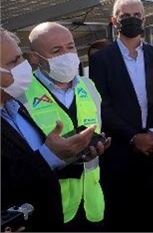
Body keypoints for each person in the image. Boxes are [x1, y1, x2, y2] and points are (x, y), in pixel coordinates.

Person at [1, 27, 102, 232]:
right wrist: (51, 155)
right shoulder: (24, 95)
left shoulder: (13, 107)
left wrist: (73, 153)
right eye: (13, 62)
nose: (22, 66)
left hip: (84, 204)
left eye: (20, 59)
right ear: (36, 57)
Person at [88, 0, 153, 232]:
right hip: (119, 152)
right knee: (121, 215)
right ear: (115, 21)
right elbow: (102, 104)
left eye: (136, 16)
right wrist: (133, 137)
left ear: (144, 20)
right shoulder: (102, 58)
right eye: (125, 16)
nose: (131, 20)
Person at [25, 22, 111, 231]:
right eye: (57, 50)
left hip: (91, 205)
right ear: (35, 58)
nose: (67, 54)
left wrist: (96, 147)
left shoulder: (88, 86)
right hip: (51, 210)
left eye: (70, 47)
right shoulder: (22, 94)